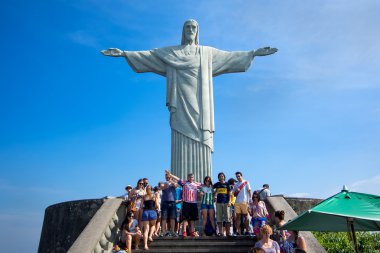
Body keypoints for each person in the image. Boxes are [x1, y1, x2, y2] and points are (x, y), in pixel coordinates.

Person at [101, 19, 278, 182]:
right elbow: (149, 55)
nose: (191, 30)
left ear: (198, 31)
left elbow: (230, 57)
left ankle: (200, 183)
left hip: (201, 106)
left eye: (194, 27)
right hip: (180, 102)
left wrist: (253, 53)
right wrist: (125, 54)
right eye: (188, 27)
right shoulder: (171, 53)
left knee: (202, 138)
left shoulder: (207, 53)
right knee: (180, 135)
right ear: (183, 31)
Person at [167, 170, 202, 237]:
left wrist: (201, 192)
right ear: (188, 178)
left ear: (193, 178)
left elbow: (204, 186)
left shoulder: (196, 184)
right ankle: (184, 232)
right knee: (185, 219)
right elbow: (177, 179)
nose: (191, 178)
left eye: (192, 177)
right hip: (186, 202)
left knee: (192, 219)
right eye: (190, 177)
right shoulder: (184, 183)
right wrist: (170, 174)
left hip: (193, 203)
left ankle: (192, 232)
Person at [141, 185, 159, 250]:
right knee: (153, 225)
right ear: (151, 189)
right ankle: (150, 236)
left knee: (145, 230)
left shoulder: (144, 197)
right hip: (152, 212)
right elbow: (157, 205)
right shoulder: (154, 196)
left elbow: (141, 206)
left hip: (145, 212)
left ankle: (145, 245)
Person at [160, 172, 178, 237]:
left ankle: (172, 231)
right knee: (164, 218)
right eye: (167, 177)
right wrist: (167, 184)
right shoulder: (163, 183)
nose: (168, 178)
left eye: (169, 177)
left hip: (172, 202)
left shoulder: (173, 183)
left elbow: (176, 186)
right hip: (165, 202)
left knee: (172, 218)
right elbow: (162, 187)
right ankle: (163, 232)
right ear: (165, 177)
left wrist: (171, 181)